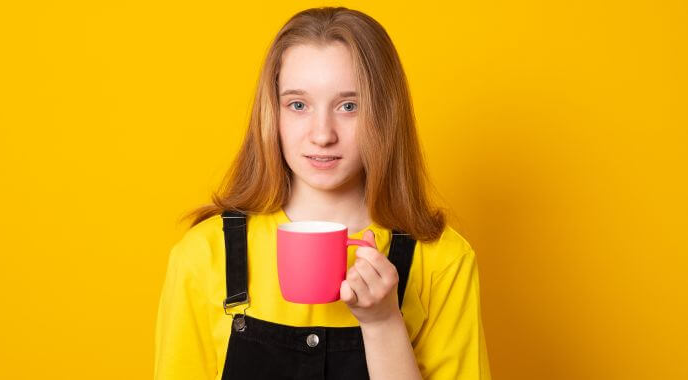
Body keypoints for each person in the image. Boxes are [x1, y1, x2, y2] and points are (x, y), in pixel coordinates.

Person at [154, 6, 491, 380]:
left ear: (384, 114)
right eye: (298, 105)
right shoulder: (204, 255)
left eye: (349, 106)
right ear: (273, 113)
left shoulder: (443, 260)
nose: (322, 133)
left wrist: (383, 324)